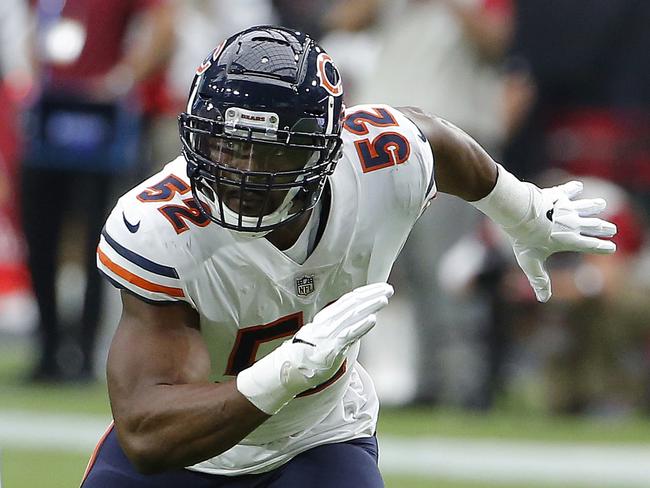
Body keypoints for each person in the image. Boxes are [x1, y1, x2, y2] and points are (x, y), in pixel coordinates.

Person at [82, 26, 617, 487]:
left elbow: (438, 141)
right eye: (225, 143)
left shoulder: (379, 162)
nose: (241, 170)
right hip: (196, 446)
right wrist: (286, 370)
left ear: (322, 148)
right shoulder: (158, 226)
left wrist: (520, 209)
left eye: (268, 148)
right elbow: (147, 433)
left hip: (317, 436)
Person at [21, 0, 174, 382]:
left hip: (107, 116)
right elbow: (32, 27)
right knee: (39, 234)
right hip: (52, 107)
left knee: (102, 238)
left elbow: (163, 25)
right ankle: (48, 349)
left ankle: (87, 354)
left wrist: (120, 80)